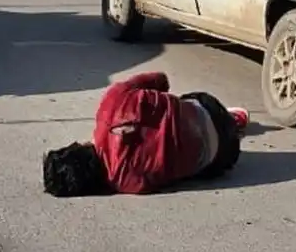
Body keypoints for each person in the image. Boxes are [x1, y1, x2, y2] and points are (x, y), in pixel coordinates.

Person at [42, 72, 250, 196]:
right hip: (210, 109)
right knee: (185, 101)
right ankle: (230, 120)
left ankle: (231, 128)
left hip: (221, 157)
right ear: (75, 147)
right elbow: (161, 79)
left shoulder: (125, 183)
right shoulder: (110, 105)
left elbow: (168, 178)